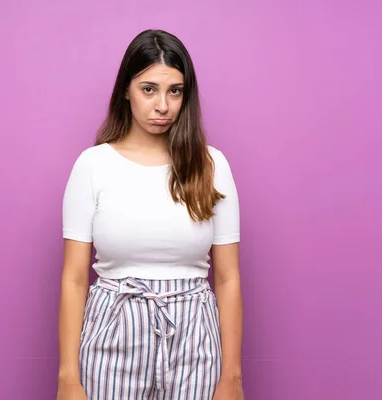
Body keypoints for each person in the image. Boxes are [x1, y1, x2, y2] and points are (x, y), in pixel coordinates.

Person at [56, 29, 244, 400]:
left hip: (194, 339)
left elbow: (227, 278)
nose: (163, 105)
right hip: (112, 334)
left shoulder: (211, 164)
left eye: (175, 90)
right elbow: (75, 279)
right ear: (126, 90)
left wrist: (231, 378)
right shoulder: (93, 165)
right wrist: (68, 379)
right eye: (148, 89)